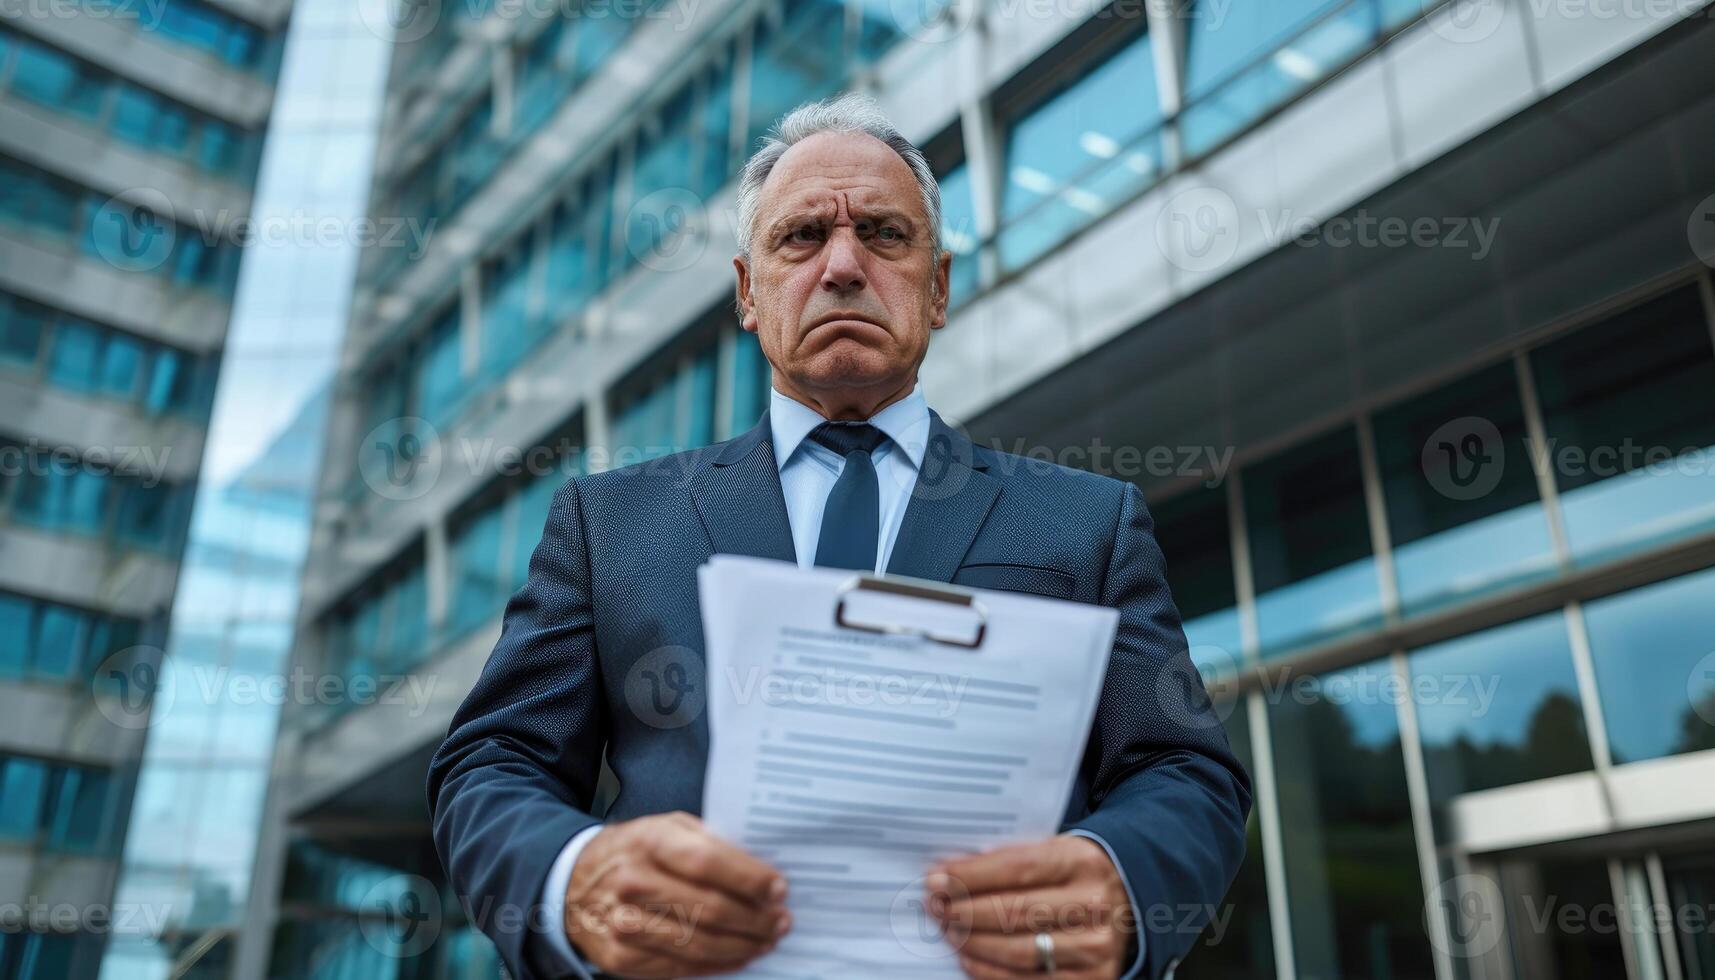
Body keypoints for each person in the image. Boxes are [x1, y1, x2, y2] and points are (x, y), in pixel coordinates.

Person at [427, 92, 1250, 980]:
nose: (845, 266)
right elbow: (493, 759)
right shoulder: (610, 521)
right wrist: (573, 879)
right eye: (801, 237)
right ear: (749, 292)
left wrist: (1118, 880)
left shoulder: (1086, 521)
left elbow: (1184, 772)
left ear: (937, 289)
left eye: (886, 236)